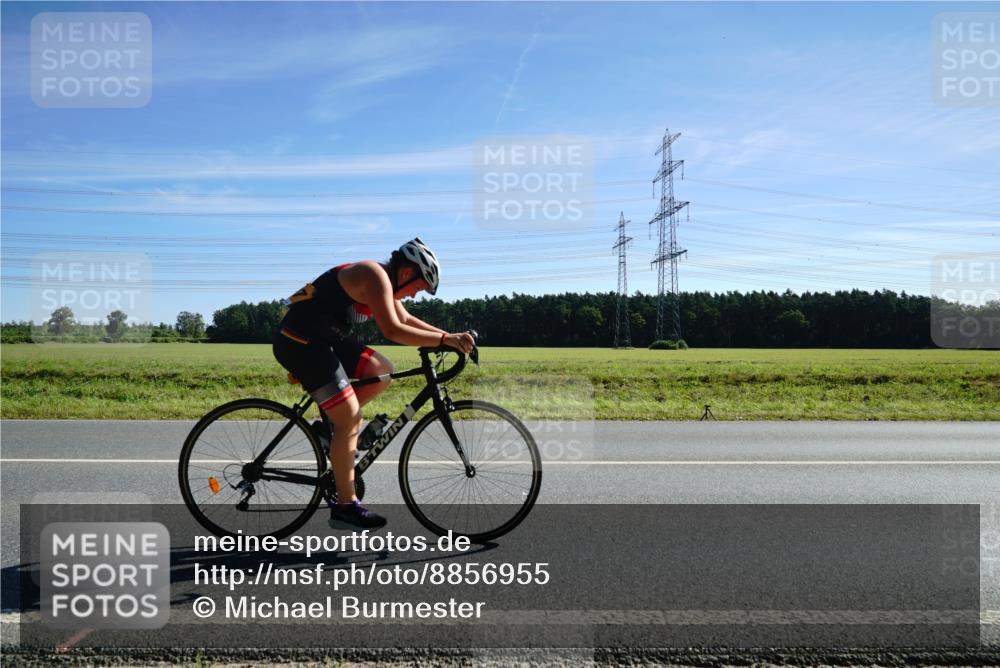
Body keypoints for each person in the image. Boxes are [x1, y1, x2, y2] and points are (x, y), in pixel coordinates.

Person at [272, 238, 475, 530]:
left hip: (322, 338)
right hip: (299, 340)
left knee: (381, 369)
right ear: (407, 273)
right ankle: (345, 506)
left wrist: (450, 337)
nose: (415, 295)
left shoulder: (386, 283)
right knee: (351, 417)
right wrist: (445, 340)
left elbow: (407, 319)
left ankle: (329, 430)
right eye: (418, 288)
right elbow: (393, 329)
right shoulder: (373, 275)